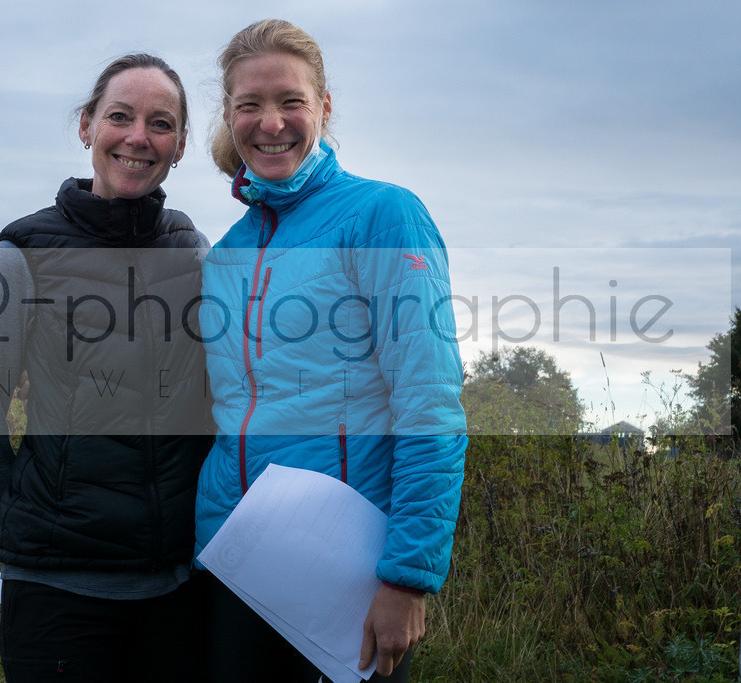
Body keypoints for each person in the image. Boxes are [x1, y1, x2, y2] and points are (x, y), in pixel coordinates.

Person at [195, 20, 467, 683]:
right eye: (250, 105)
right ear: (229, 117)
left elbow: (429, 402)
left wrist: (407, 577)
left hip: (347, 573)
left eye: (290, 101)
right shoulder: (226, 253)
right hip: (232, 561)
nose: (271, 123)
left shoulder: (383, 215)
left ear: (323, 107)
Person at [0, 53, 211, 682]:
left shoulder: (194, 254)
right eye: (119, 117)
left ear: (180, 145)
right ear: (86, 126)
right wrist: (22, 531)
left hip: (177, 589)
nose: (137, 137)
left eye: (160, 124)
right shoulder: (23, 253)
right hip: (55, 592)